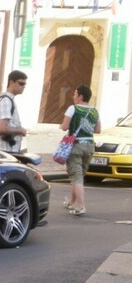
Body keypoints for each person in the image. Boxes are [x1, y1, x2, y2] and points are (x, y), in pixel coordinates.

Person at [60, 85, 101, 216]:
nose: (73, 96)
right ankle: (71, 201)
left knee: (76, 175)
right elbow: (98, 130)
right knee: (79, 175)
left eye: (75, 94)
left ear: (81, 96)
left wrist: (62, 125)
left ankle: (80, 206)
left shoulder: (73, 108)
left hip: (76, 145)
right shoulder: (95, 111)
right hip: (89, 145)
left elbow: (65, 126)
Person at [0, 70, 28, 153]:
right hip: (4, 149)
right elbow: (2, 128)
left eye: (24, 84)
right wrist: (21, 130)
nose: (23, 86)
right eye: (21, 83)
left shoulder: (9, 99)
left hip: (7, 148)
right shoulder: (6, 101)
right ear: (11, 82)